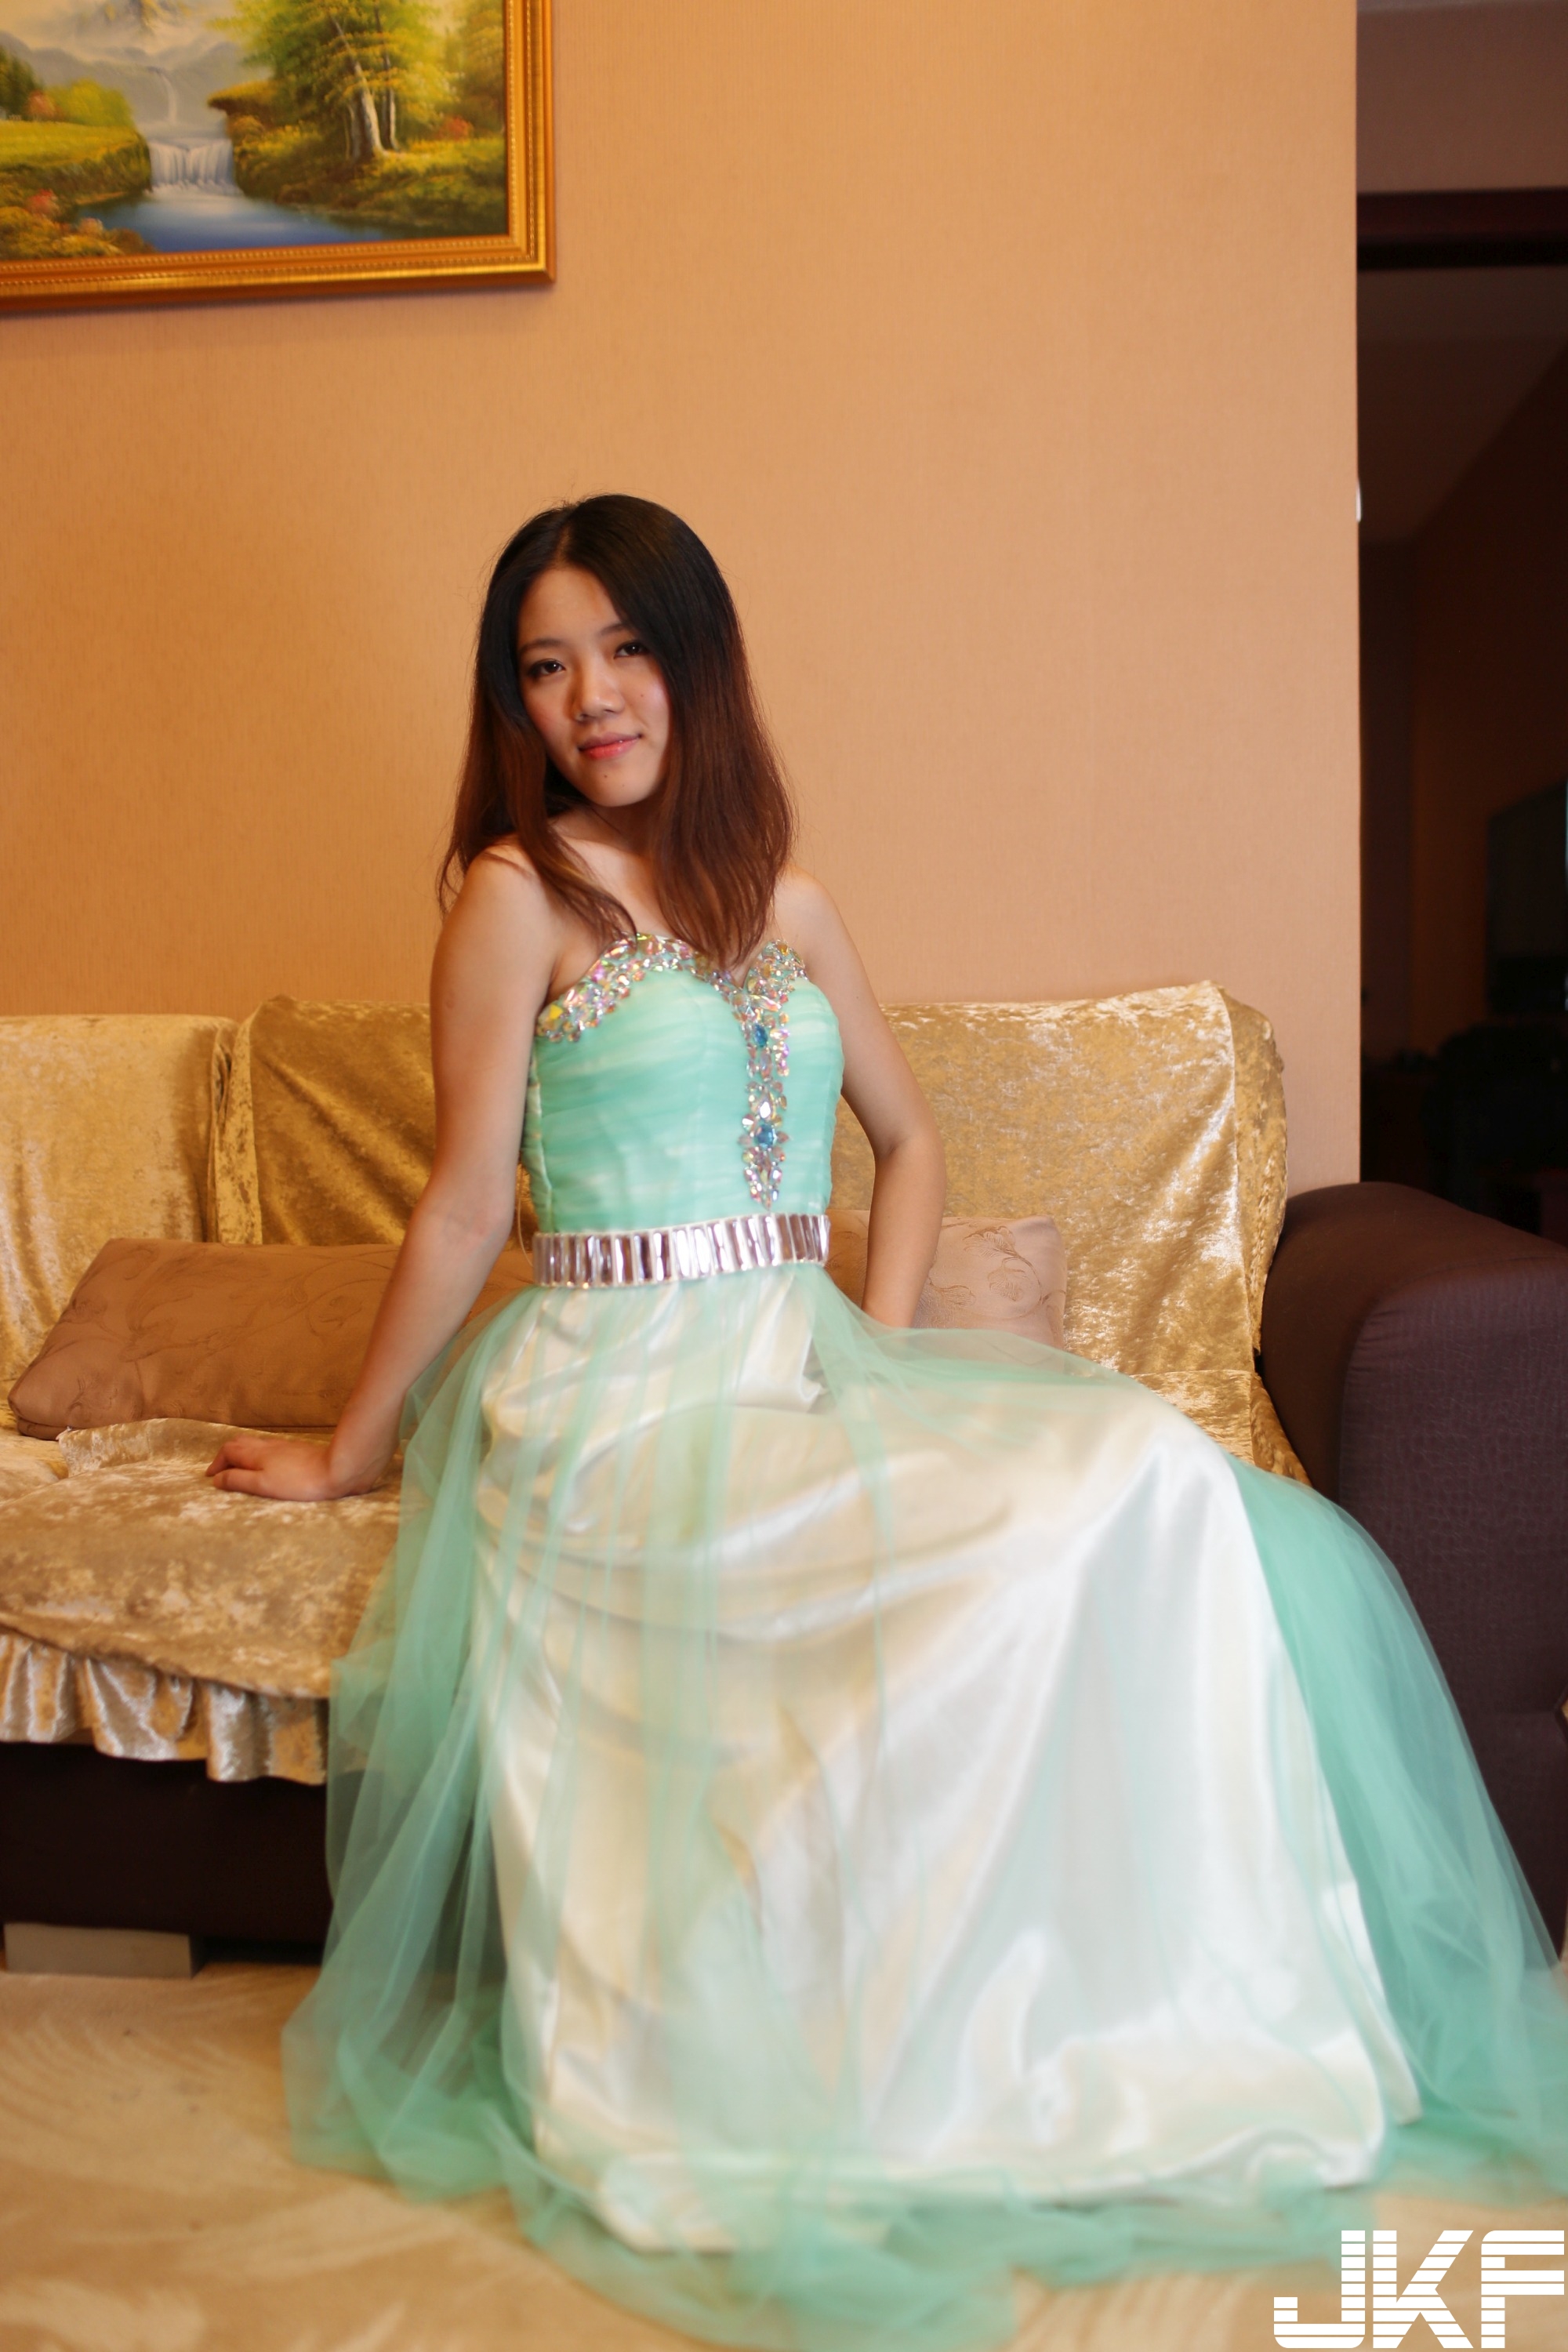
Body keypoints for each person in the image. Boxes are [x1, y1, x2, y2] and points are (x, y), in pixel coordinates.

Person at [209, 495, 1568, 2352]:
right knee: (999, 1531)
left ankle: (1139, 2021)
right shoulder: (516, 895)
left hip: (798, 1357)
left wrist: (871, 1338)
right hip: (615, 1391)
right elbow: (459, 1210)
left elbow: (910, 1141)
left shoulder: (790, 906)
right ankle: (870, 2064)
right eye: (546, 664)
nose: (592, 695)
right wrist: (351, 1450)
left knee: (1152, 1477)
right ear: (513, 701)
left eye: (626, 647)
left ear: (697, 661)